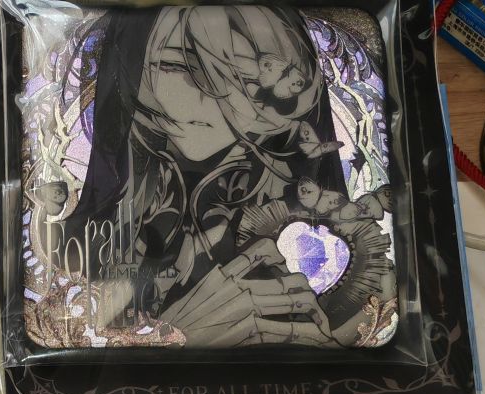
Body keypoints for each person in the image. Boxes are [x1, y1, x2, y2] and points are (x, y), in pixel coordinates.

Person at [38, 5, 393, 346]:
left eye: (247, 77)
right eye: (179, 66)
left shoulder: (346, 250)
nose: (219, 99)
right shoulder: (67, 251)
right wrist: (172, 339)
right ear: (133, 67)